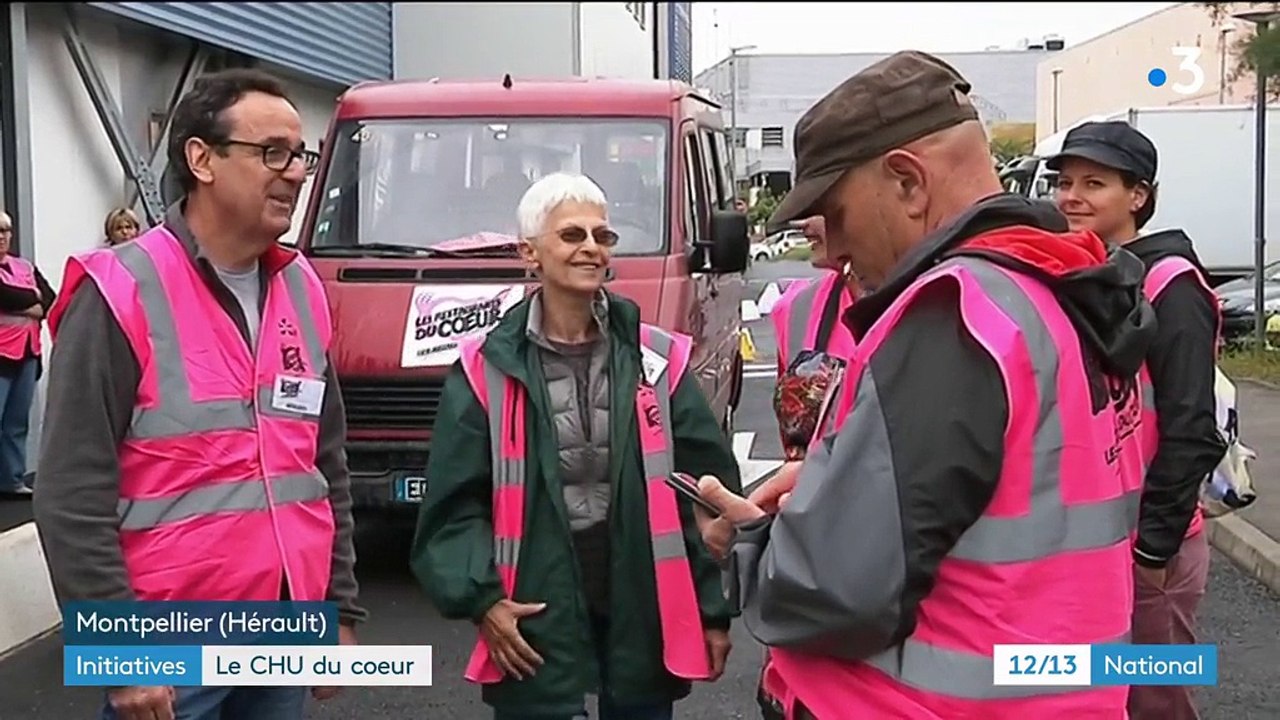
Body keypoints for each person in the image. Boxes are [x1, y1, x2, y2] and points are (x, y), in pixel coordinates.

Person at [693, 51, 1158, 719]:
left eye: (836, 213)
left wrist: (744, 545)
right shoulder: (1071, 290)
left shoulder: (954, 313)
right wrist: (843, 489)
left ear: (908, 182)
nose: (826, 251)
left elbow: (834, 591)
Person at [32, 69, 365, 720]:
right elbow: (70, 491)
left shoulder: (302, 288)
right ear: (200, 159)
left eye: (301, 155)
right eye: (271, 152)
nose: (294, 173)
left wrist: (338, 608)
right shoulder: (121, 289)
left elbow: (324, 467)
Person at [410, 172, 740, 720]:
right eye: (571, 235)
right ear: (529, 253)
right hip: (536, 614)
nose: (591, 247)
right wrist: (484, 601)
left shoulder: (656, 360)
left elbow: (706, 499)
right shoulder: (484, 370)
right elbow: (452, 507)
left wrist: (711, 612)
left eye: (602, 236)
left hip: (642, 606)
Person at [1048, 121, 1228, 720]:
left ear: (1138, 196)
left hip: (1153, 551)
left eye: (1093, 182)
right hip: (1101, 547)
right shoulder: (1091, 276)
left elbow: (1192, 427)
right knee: (1100, 696)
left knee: (1155, 702)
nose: (1071, 196)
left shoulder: (1169, 284)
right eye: (1064, 181)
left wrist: (1152, 552)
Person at [757, 214, 858, 719]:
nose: (803, 222)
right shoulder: (796, 310)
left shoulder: (942, 305)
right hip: (802, 562)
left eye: (822, 205)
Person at [0, 212, 55, 498]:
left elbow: (50, 299)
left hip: (27, 351)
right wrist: (30, 298)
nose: (2, 236)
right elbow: (6, 296)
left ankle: (11, 480)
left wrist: (31, 299)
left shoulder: (24, 266)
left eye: (6, 231)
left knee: (16, 422)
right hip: (1, 354)